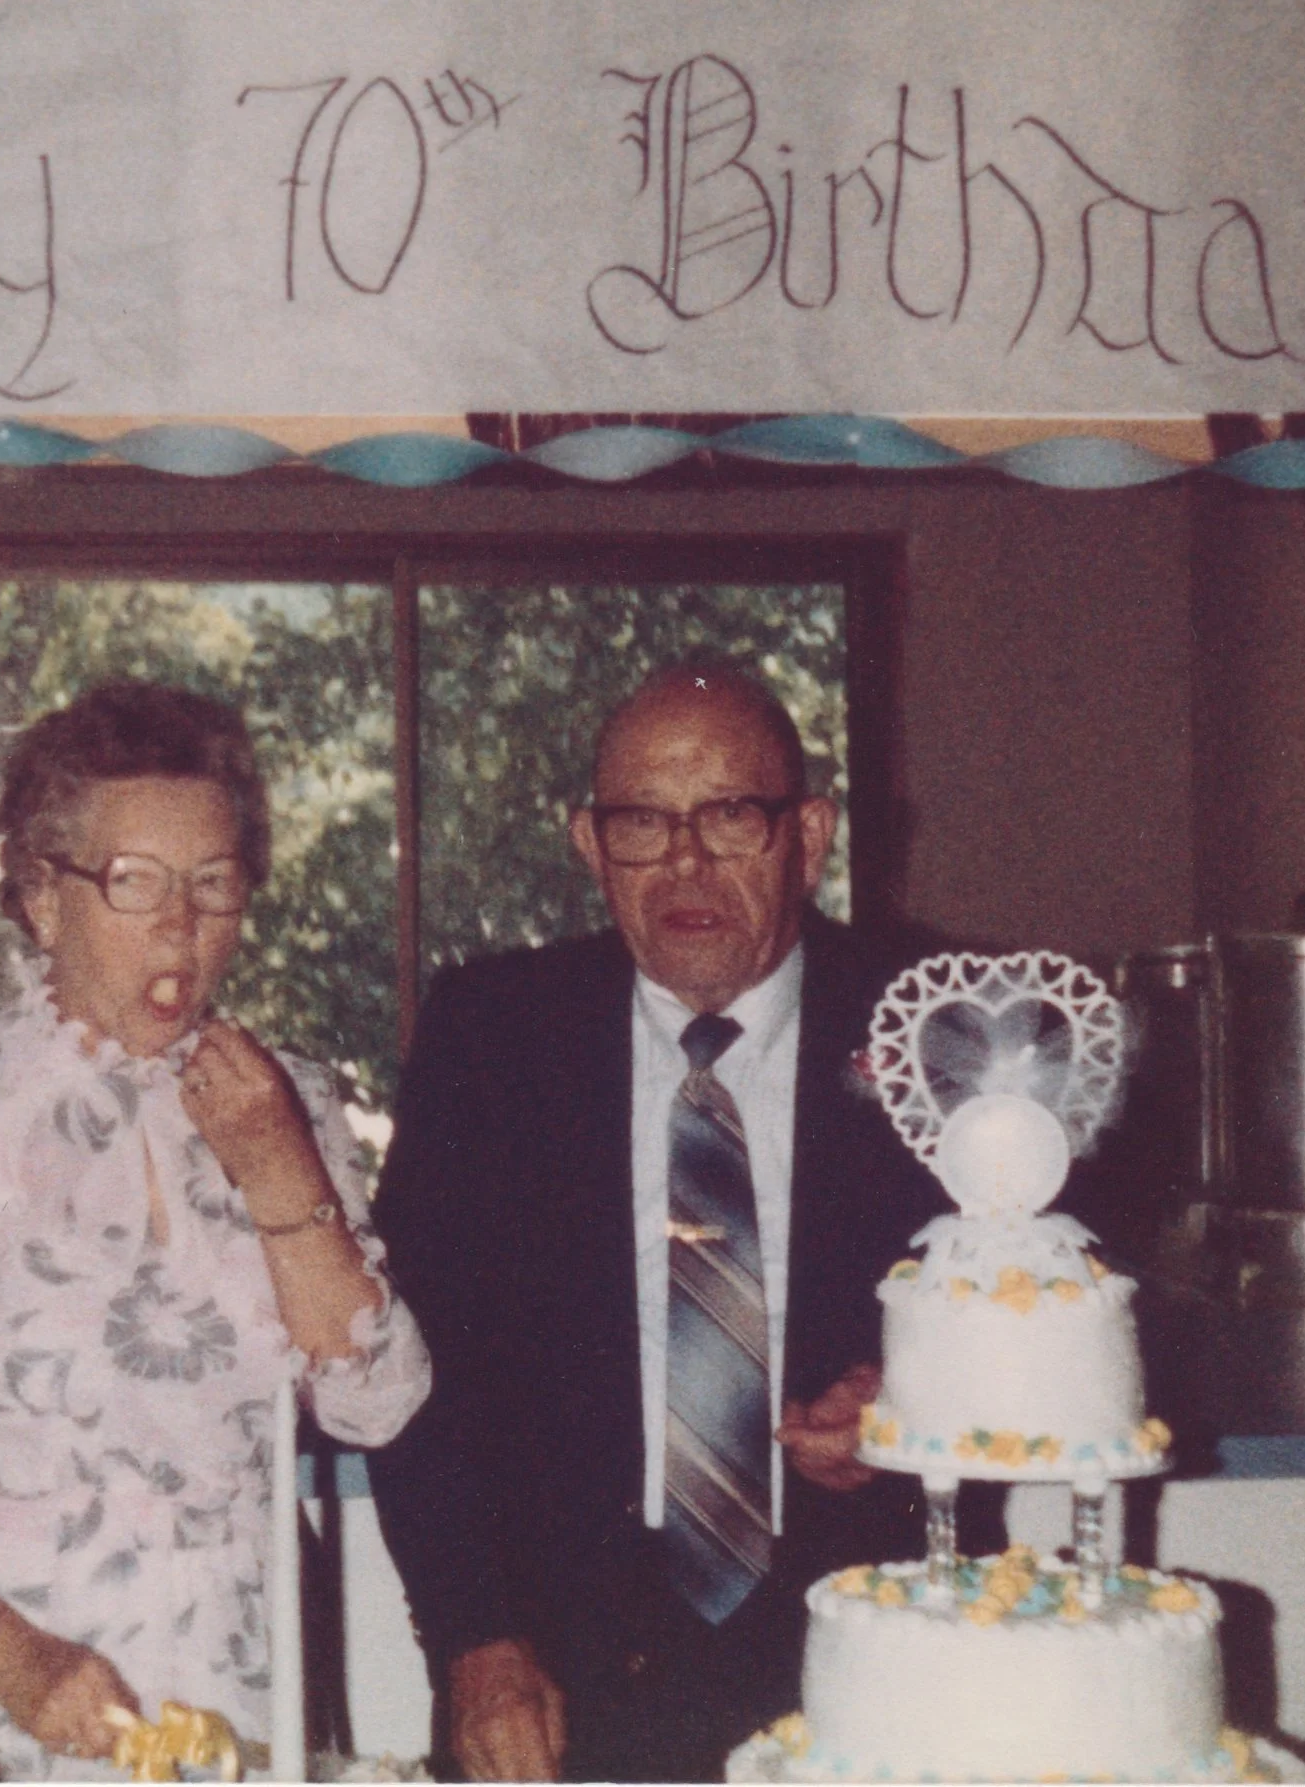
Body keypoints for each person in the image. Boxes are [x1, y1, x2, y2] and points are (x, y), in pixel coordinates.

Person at [0, 682, 430, 1778]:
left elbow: (375, 1401)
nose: (182, 924)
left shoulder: (291, 1102)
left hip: (250, 1687)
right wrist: (19, 1662)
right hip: (19, 1705)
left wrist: (277, 1169)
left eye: (214, 884)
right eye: (135, 882)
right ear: (40, 895)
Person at [368, 661, 937, 1782]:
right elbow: (411, 1365)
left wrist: (917, 1392)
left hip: (876, 1666)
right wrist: (470, 1635)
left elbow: (1068, 1289)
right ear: (589, 842)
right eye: (640, 821)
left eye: (728, 816)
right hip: (559, 1683)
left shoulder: (932, 1016)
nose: (683, 863)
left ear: (807, 834)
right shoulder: (492, 1031)